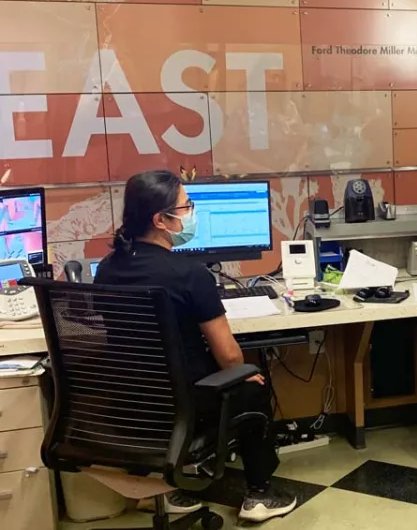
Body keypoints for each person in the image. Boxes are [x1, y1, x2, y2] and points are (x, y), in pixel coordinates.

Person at [95, 170, 297, 523]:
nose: (192, 213)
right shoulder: (189, 274)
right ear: (161, 220)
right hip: (187, 408)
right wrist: (242, 374)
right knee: (252, 381)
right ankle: (260, 495)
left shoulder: (108, 268)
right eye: (187, 207)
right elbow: (230, 356)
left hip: (132, 407)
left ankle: (167, 489)